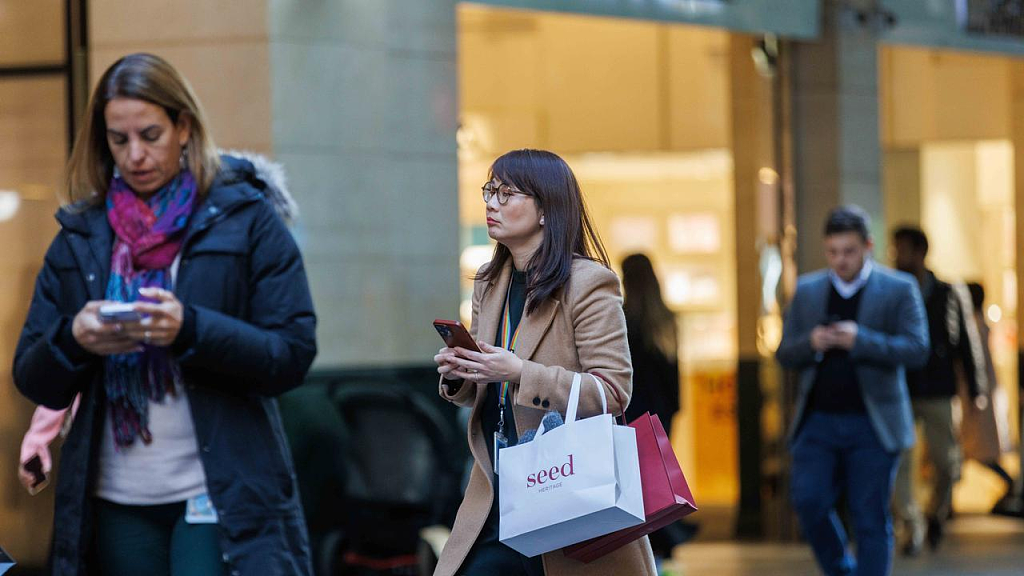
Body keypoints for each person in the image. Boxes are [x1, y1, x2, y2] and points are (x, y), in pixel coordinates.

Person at [12, 53, 317, 575]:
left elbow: (291, 353)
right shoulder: (82, 235)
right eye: (118, 139)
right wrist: (75, 338)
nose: (135, 155)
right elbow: (33, 376)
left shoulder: (247, 219)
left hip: (216, 488)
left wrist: (190, 329)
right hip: (114, 494)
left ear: (184, 127)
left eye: (150, 134)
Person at [432, 149, 657, 576]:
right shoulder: (489, 282)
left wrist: (520, 373)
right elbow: (487, 388)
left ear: (545, 210)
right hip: (499, 493)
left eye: (505, 193)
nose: (491, 203)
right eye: (489, 190)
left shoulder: (589, 283)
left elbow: (613, 392)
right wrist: (462, 373)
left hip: (567, 495)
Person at [777, 205, 928, 576]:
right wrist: (811, 341)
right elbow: (784, 352)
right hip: (818, 422)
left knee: (870, 516)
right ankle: (842, 569)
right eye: (833, 252)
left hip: (874, 423)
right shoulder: (809, 290)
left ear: (868, 246)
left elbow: (917, 348)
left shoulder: (898, 288)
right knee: (808, 500)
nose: (840, 260)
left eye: (849, 251)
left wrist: (861, 340)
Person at [891, 226, 977, 554]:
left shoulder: (946, 292)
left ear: (920, 252)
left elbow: (964, 342)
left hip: (939, 387)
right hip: (902, 387)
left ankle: (935, 513)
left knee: (946, 461)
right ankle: (911, 525)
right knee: (901, 459)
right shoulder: (891, 290)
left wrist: (975, 386)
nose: (897, 256)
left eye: (903, 249)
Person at [620, 253, 698, 556]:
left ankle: (653, 541)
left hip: (629, 410)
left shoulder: (623, 319)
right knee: (656, 481)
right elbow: (673, 371)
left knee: (635, 483)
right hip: (661, 410)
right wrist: (674, 409)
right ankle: (667, 537)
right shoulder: (666, 320)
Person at [958, 282, 1019, 515]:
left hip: (976, 397)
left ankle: (1011, 484)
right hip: (978, 395)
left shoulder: (974, 325)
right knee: (970, 453)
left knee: (978, 452)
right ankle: (943, 504)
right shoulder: (978, 323)